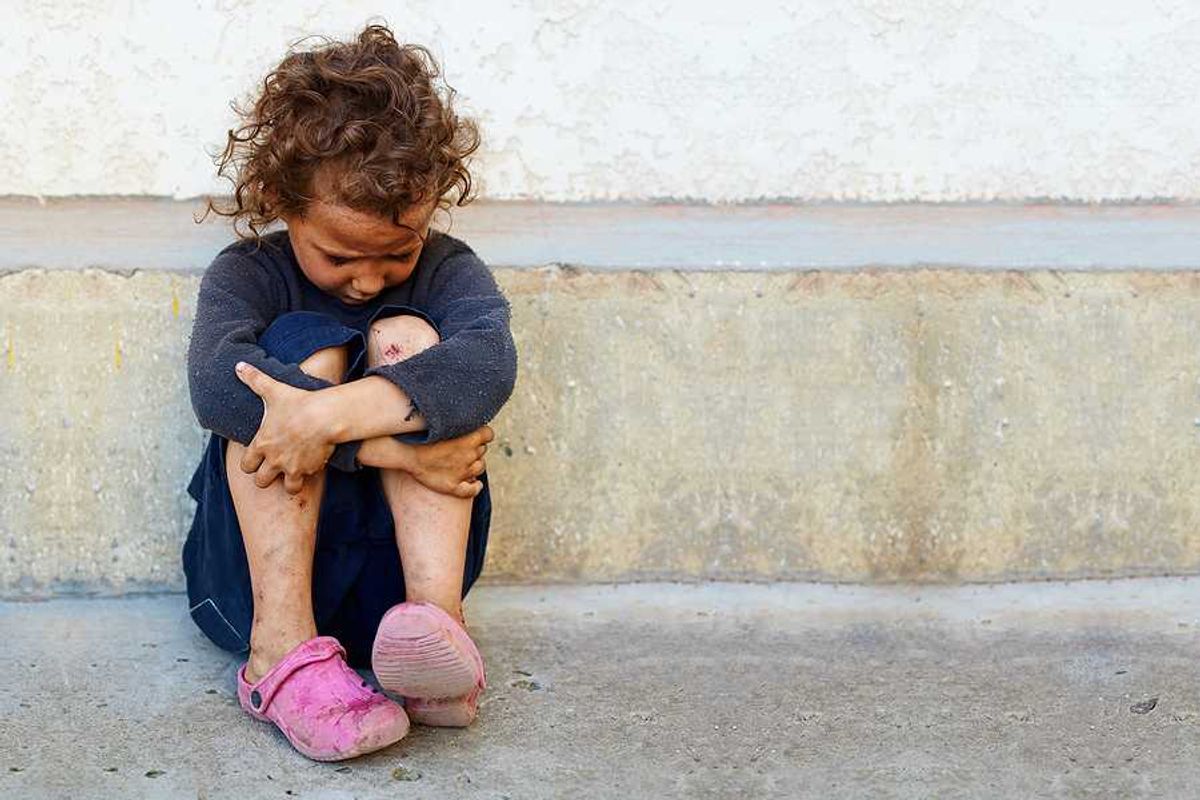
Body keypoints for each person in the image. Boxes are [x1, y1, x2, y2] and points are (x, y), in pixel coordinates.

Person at [182, 22, 517, 761]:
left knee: (413, 341)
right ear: (282, 201)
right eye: (339, 255)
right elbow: (218, 392)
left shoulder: (449, 269)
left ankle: (437, 641)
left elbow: (489, 365)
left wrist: (327, 417)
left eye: (397, 252)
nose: (367, 279)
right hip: (251, 590)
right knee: (308, 342)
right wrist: (389, 454)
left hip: (395, 603)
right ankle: (283, 656)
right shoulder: (247, 275)